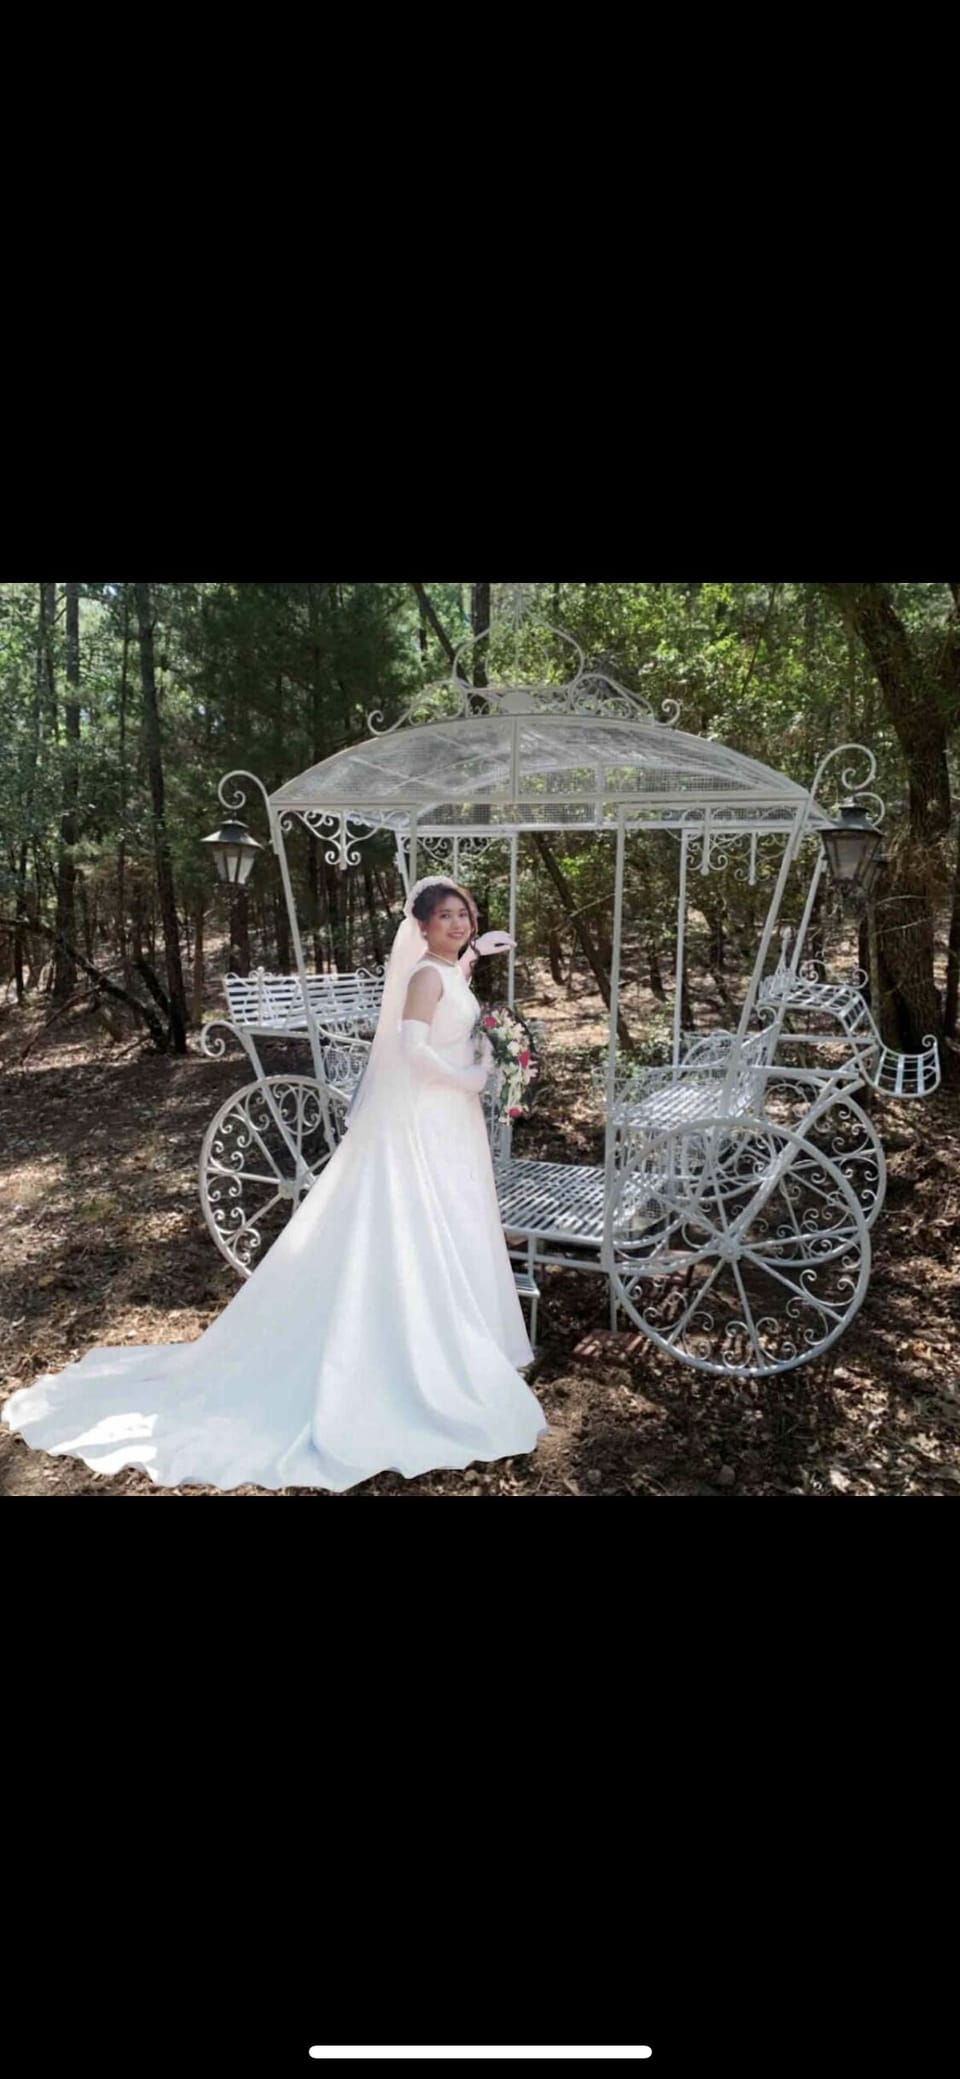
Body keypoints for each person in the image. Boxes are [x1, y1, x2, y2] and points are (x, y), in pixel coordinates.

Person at [2, 876, 547, 1493]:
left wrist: (478, 971)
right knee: (421, 1219)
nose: (459, 922)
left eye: (465, 914)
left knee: (452, 1215)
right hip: (428, 1111)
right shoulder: (425, 975)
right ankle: (420, 1350)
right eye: (447, 916)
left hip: (450, 1118)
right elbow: (413, 1045)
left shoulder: (449, 969)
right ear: (420, 926)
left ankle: (460, 1333)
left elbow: (452, 1003)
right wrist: (470, 1076)